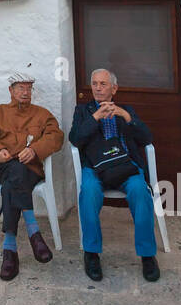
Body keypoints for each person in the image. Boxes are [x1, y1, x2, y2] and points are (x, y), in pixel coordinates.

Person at [69, 68, 160, 283]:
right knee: (89, 192)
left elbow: (146, 138)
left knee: (140, 191)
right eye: (94, 84)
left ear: (114, 88)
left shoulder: (126, 110)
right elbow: (75, 139)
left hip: (125, 167)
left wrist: (126, 116)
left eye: (103, 84)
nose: (98, 88)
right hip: (95, 167)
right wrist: (95, 118)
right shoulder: (83, 111)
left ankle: (147, 255)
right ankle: (91, 253)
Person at [0, 72, 63, 281]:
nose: (25, 92)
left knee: (13, 182)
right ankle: (34, 232)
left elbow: (56, 136)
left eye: (29, 88)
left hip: (30, 169)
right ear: (11, 91)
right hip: (5, 166)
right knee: (15, 171)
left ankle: (10, 249)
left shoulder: (42, 114)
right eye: (21, 88)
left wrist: (35, 149)